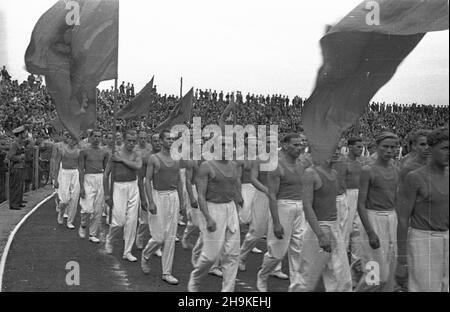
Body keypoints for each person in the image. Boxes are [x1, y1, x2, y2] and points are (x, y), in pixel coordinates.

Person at [188, 136, 243, 292]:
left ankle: (227, 291)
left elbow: (234, 184)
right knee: (211, 256)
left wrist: (238, 199)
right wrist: (208, 218)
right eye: (223, 145)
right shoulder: (206, 166)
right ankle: (196, 277)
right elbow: (201, 195)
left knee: (232, 254)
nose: (226, 148)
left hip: (230, 208)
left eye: (229, 145)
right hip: (213, 209)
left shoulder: (233, 165)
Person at [396, 128, 448, 292]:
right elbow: (403, 219)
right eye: (445, 148)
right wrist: (402, 260)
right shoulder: (415, 177)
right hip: (423, 240)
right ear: (431, 149)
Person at [295, 149, 352, 292]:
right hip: (319, 229)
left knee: (341, 278)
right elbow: (307, 206)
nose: (336, 152)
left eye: (338, 148)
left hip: (334, 227)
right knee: (306, 280)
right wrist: (320, 234)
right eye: (332, 148)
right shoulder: (311, 173)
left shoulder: (334, 174)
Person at [256, 133, 307, 292]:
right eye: (296, 145)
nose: (300, 148)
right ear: (285, 146)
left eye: (301, 145)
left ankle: (296, 286)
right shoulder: (276, 166)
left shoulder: (301, 165)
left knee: (298, 250)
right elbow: (272, 195)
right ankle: (263, 275)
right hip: (283, 207)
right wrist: (277, 223)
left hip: (300, 207)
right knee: (277, 253)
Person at [356, 132, 400, 292]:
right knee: (374, 275)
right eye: (385, 147)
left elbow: (395, 199)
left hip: (392, 218)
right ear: (377, 147)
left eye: (393, 147)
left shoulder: (396, 170)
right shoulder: (368, 170)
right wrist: (370, 232)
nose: (389, 150)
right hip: (373, 218)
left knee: (389, 273)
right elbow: (360, 204)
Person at [140, 129, 184, 285]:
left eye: (173, 139)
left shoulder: (177, 158)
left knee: (171, 237)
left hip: (173, 197)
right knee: (159, 236)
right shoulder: (154, 158)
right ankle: (146, 254)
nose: (171, 141)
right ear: (161, 141)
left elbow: (179, 180)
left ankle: (167, 272)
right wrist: (150, 201)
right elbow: (147, 180)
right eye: (168, 139)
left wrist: (182, 201)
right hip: (159, 196)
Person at [104, 131, 142, 262]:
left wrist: (122, 161)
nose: (131, 143)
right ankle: (110, 238)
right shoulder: (115, 154)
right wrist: (106, 194)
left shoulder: (136, 154)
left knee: (132, 220)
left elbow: (137, 166)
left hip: (133, 186)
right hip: (118, 187)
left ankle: (127, 251)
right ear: (124, 140)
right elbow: (106, 175)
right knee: (119, 221)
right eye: (129, 141)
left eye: (134, 141)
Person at [78, 130, 110, 243]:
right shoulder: (84, 151)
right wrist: (81, 186)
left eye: (99, 136)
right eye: (95, 136)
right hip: (88, 178)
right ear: (90, 137)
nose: (97, 138)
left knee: (98, 209)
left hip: (100, 179)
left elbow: (106, 171)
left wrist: (107, 189)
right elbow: (81, 170)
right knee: (87, 209)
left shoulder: (104, 152)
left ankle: (92, 233)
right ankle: (83, 224)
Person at [54, 134, 81, 229]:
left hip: (75, 173)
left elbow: (81, 166)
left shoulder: (79, 151)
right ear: (68, 139)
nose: (72, 141)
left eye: (74, 139)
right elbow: (57, 164)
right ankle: (61, 213)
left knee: (74, 198)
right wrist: (56, 178)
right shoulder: (62, 150)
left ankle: (70, 220)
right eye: (71, 138)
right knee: (64, 200)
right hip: (64, 173)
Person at [135, 131, 154, 249]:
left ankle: (155, 241)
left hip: (157, 185)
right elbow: (141, 175)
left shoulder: (151, 149)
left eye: (144, 138)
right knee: (145, 216)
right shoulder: (137, 151)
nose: (143, 140)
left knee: (158, 217)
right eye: (141, 138)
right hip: (141, 181)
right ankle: (139, 236)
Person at [7, 125, 27, 210]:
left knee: (20, 186)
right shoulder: (14, 144)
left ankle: (18, 202)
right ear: (19, 134)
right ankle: (14, 204)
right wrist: (20, 157)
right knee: (15, 186)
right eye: (23, 133)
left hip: (21, 167)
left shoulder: (20, 142)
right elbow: (10, 156)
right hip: (16, 167)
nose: (25, 134)